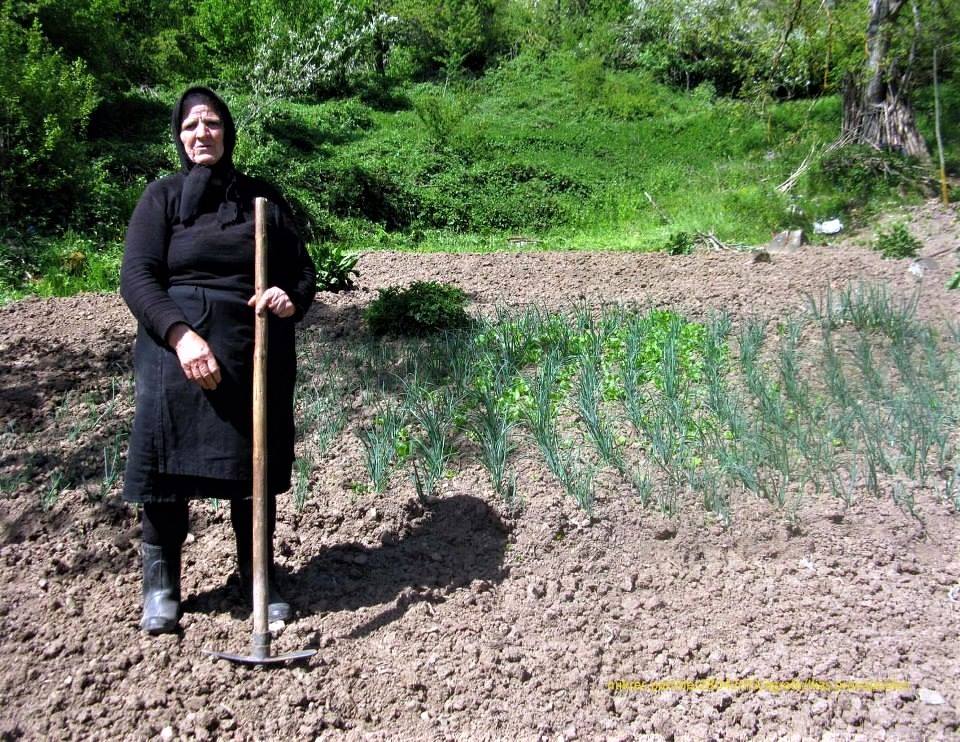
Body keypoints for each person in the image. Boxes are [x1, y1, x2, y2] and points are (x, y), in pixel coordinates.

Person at [120, 86, 316, 635]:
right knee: (164, 470)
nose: (200, 134)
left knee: (250, 467)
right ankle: (161, 584)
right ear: (178, 137)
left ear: (227, 131)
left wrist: (288, 298)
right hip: (174, 354)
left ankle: (257, 576)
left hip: (251, 349)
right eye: (189, 126)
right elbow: (137, 278)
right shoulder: (160, 198)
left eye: (210, 123)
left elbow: (302, 272)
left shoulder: (261, 199)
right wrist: (181, 336)